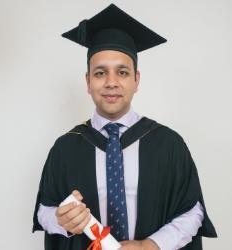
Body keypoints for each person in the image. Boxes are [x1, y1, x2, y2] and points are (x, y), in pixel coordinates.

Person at [32, 4, 217, 250]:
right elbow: (45, 209)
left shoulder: (168, 144)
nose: (111, 83)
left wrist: (149, 245)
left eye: (121, 72)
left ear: (136, 80)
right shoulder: (65, 147)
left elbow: (192, 212)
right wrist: (60, 219)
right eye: (100, 73)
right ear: (88, 81)